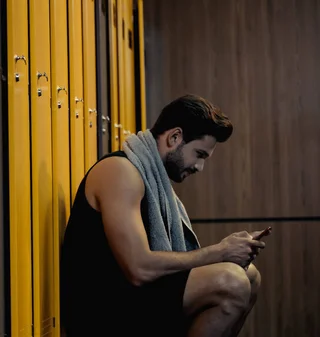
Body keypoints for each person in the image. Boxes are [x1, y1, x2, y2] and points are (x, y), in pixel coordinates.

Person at [60, 94, 269, 337]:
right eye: (199, 154)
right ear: (174, 137)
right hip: (102, 313)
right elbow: (138, 267)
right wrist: (220, 252)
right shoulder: (119, 172)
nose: (199, 167)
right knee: (230, 282)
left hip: (133, 299)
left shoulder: (148, 175)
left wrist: (226, 254)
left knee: (249, 275)